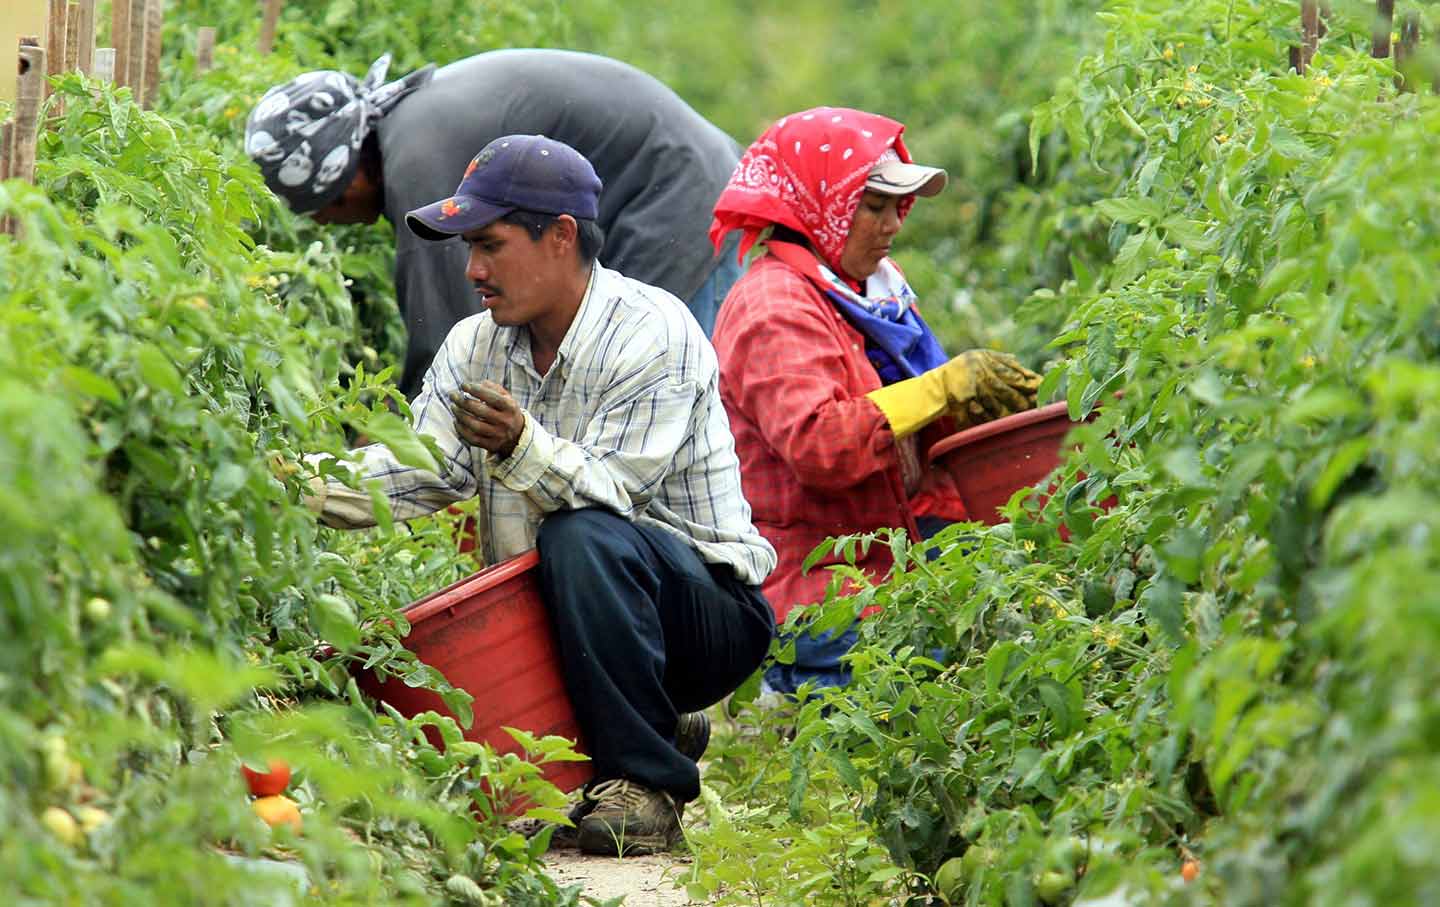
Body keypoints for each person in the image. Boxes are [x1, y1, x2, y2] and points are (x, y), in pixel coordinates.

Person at [302, 134, 776, 855]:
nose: (473, 270)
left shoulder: (653, 333)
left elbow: (616, 494)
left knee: (579, 533)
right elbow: (419, 469)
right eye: (468, 249)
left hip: (703, 609)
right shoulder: (476, 346)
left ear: (560, 237)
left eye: (490, 245)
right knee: (515, 592)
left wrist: (521, 445)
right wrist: (287, 485)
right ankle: (638, 720)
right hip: (578, 608)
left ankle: (648, 782)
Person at [707, 108, 1041, 694]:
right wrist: (941, 388)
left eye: (896, 207)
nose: (892, 225)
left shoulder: (864, 290)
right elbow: (820, 445)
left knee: (1025, 593)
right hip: (819, 583)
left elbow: (898, 413)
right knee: (983, 644)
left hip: (892, 551)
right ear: (820, 206)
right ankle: (791, 690)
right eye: (874, 206)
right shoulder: (774, 307)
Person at [244, 50, 744, 399]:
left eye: (317, 205)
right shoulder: (415, 126)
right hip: (681, 173)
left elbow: (446, 344)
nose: (324, 221)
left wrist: (401, 454)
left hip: (681, 196)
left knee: (641, 379)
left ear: (340, 178)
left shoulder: (418, 159)